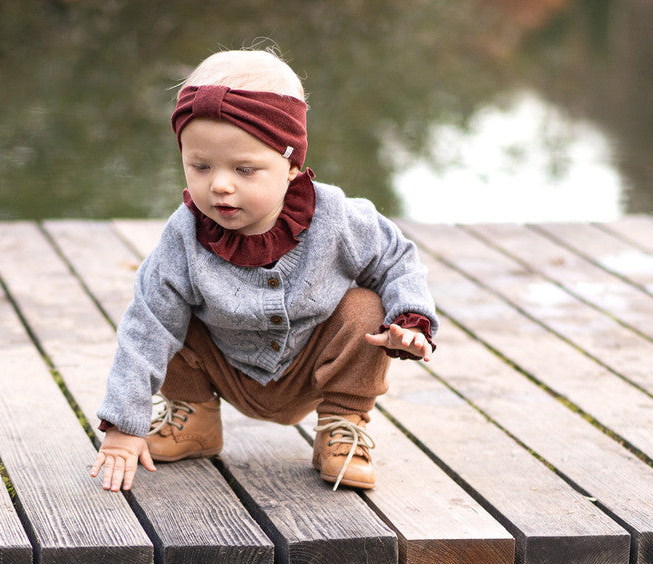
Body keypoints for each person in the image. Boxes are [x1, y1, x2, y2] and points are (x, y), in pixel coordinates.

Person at [91, 48, 438, 493]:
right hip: (225, 362)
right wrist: (124, 423)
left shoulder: (338, 218)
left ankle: (341, 425)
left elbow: (397, 261)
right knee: (164, 314)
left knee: (365, 308)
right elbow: (145, 327)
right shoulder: (184, 236)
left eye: (244, 169)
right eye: (200, 166)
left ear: (291, 166)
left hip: (314, 365)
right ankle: (193, 416)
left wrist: (410, 319)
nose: (219, 184)